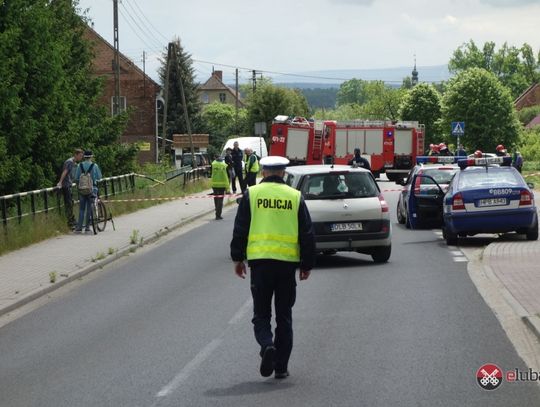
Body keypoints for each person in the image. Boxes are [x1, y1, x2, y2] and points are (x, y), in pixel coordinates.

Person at [230, 156, 316, 379]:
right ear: (284, 173)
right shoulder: (295, 196)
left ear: (264, 172)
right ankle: (281, 367)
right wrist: (307, 264)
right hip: (287, 266)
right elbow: (307, 233)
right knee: (284, 317)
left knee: (261, 314)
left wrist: (237, 259)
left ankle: (267, 345)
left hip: (260, 264)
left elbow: (241, 228)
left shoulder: (252, 194)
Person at [74, 150, 102, 233]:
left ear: (84, 157)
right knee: (89, 208)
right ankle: (87, 227)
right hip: (92, 189)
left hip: (82, 190)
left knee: (82, 209)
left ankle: (79, 227)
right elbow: (99, 177)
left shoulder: (80, 165)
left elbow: (76, 178)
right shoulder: (94, 165)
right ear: (91, 157)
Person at [57, 148, 83, 229]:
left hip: (69, 184)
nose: (81, 158)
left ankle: (72, 219)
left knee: (71, 202)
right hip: (66, 185)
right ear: (76, 154)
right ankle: (70, 222)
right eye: (80, 156)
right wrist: (60, 182)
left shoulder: (73, 163)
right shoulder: (70, 162)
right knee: (68, 203)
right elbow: (65, 171)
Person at [211, 155, 229, 220]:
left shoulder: (213, 164)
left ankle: (217, 211)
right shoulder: (224, 165)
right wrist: (228, 187)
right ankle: (218, 215)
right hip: (222, 185)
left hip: (214, 184)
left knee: (216, 199)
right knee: (220, 200)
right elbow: (226, 176)